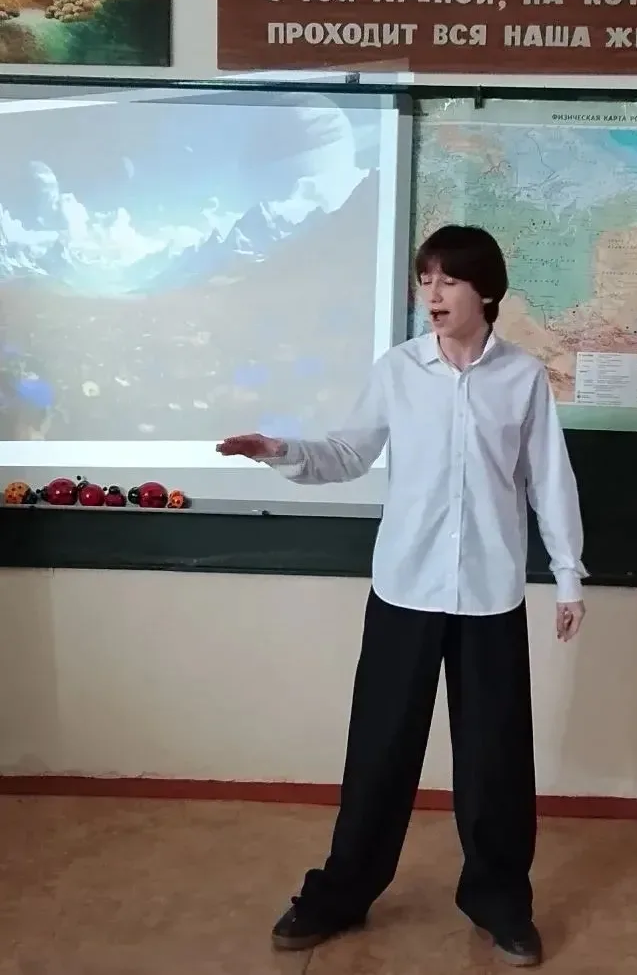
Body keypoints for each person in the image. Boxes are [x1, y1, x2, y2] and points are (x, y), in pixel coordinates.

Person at [216, 224, 587, 967]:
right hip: (405, 589)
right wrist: (282, 451)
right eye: (425, 280)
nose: (432, 294)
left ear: (486, 291)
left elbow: (549, 481)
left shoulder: (523, 378)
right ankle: (341, 893)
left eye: (448, 280)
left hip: (488, 594)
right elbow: (347, 452)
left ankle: (500, 902)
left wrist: (568, 575)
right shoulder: (398, 369)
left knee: (495, 761)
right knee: (380, 751)